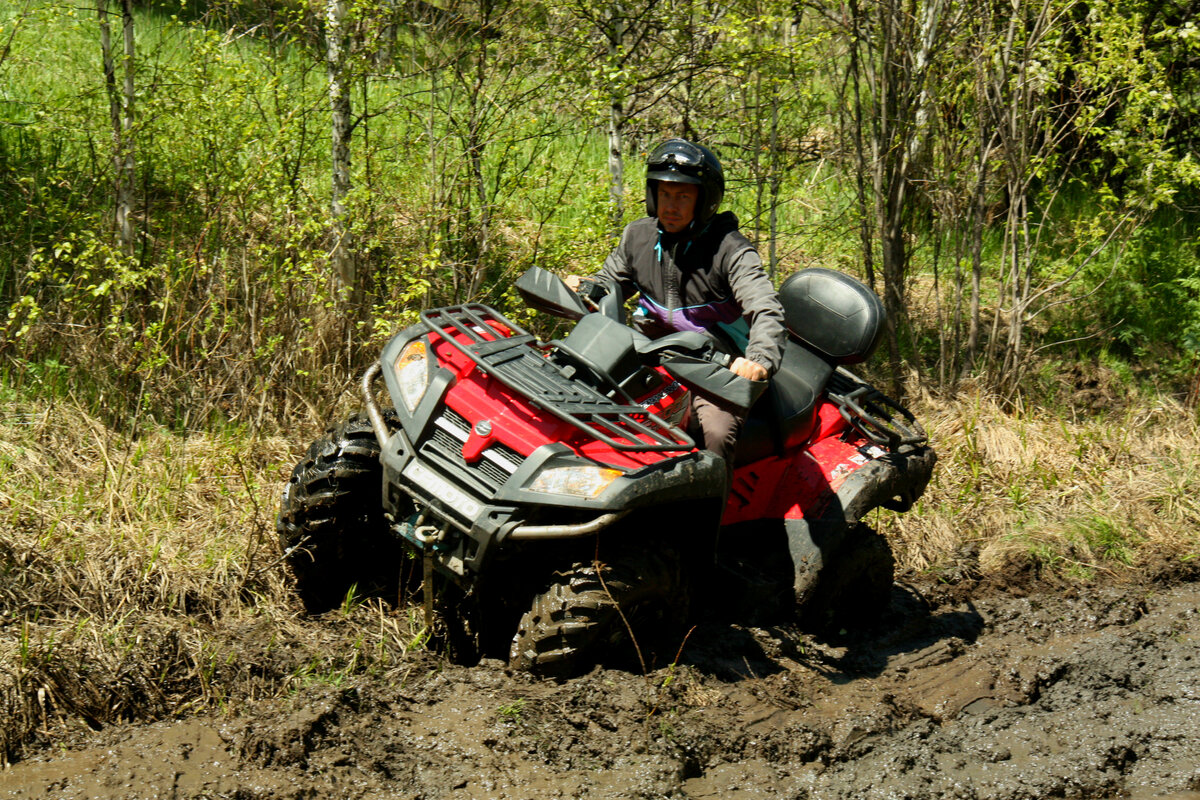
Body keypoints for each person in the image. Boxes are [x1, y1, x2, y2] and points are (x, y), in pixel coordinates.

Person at [568, 138, 786, 471]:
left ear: (705, 200)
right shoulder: (638, 237)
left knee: (717, 432)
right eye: (665, 194)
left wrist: (759, 361)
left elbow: (766, 309)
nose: (671, 206)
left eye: (683, 195)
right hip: (646, 354)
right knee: (573, 391)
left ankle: (706, 521)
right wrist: (585, 290)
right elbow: (608, 285)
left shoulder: (731, 251)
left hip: (713, 368)